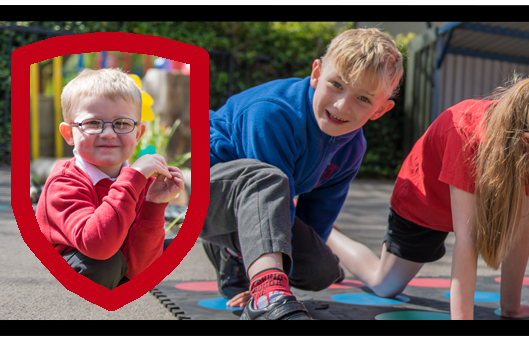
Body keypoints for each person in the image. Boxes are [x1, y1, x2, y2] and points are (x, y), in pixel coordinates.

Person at [328, 76, 529, 320]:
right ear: (528, 143)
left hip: (496, 180)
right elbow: (468, 240)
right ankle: (329, 235)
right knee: (385, 284)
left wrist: (511, 308)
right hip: (426, 202)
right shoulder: (467, 135)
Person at [201, 28, 403, 320]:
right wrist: (271, 282)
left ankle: (235, 257)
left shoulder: (352, 147)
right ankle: (264, 286)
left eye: (363, 99)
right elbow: (264, 205)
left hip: (260, 210)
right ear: (316, 73)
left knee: (322, 271)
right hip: (204, 194)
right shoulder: (272, 114)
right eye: (336, 84)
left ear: (380, 110)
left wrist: (304, 259)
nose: (341, 105)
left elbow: (319, 213)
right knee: (269, 180)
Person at [36, 68, 186, 289]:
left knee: (158, 249)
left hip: (108, 267)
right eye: (93, 123)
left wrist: (154, 204)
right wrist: (132, 178)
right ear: (69, 134)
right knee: (106, 263)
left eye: (123, 123)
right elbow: (98, 246)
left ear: (138, 134)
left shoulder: (138, 182)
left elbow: (140, 269)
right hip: (60, 278)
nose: (108, 133)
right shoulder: (64, 182)